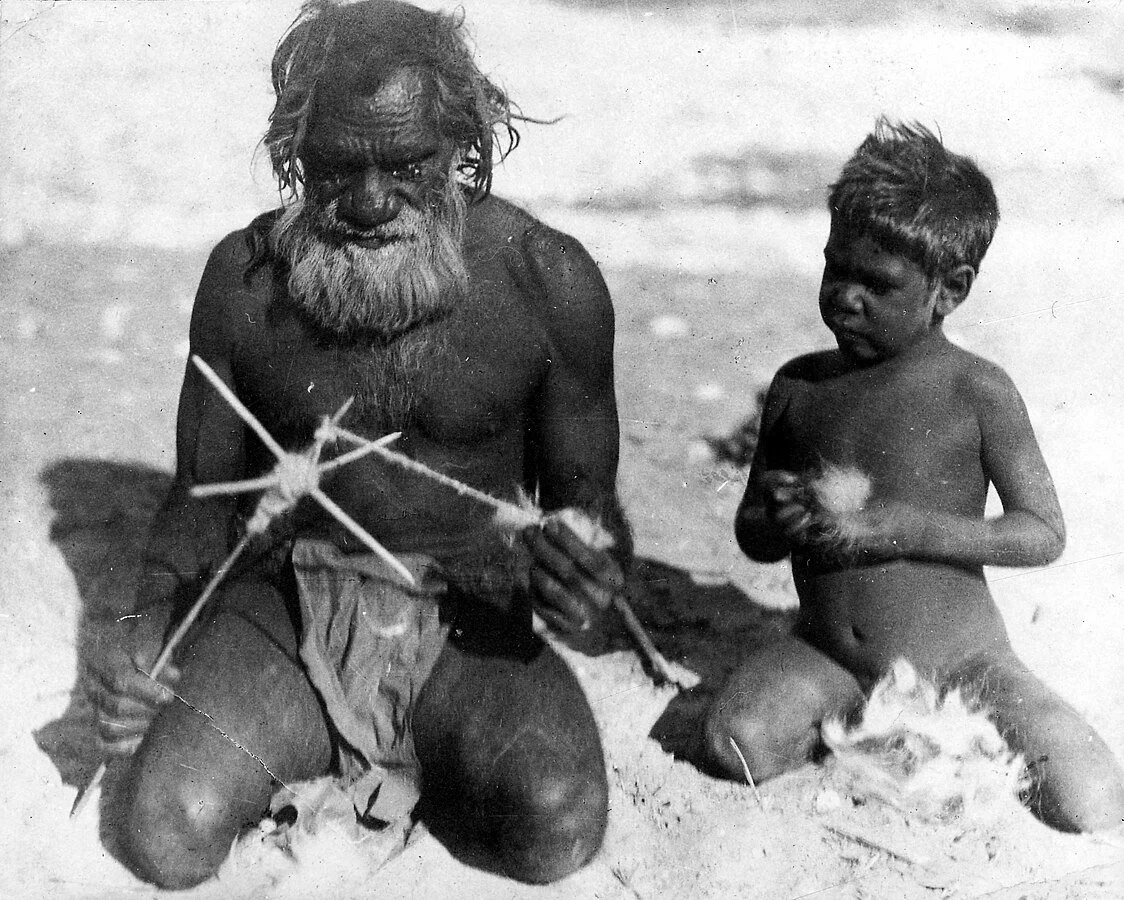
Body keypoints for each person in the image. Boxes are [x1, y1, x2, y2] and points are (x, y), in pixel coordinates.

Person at [83, 0, 632, 888]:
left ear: (464, 143)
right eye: (338, 166)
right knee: (165, 834)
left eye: (407, 163)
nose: (372, 201)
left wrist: (590, 577)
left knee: (557, 830)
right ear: (294, 153)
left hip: (465, 615)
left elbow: (591, 515)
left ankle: (420, 762)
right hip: (288, 611)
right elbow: (200, 499)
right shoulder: (243, 280)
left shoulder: (547, 281)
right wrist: (143, 632)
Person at [701, 119, 1124, 833]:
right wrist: (774, 515)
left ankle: (912, 734)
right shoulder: (799, 387)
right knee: (735, 742)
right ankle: (868, 726)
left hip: (961, 663)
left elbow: (1043, 532)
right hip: (831, 653)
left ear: (949, 290)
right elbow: (754, 538)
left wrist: (907, 528)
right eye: (836, 268)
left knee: (1089, 795)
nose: (846, 297)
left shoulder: (976, 391)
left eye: (878, 284)